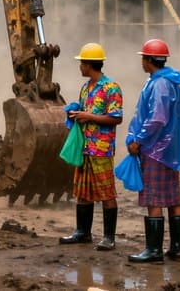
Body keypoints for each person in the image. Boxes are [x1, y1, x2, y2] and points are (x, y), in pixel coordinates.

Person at [126, 39, 180, 263]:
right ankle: (176, 249)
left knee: (154, 198)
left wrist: (139, 140)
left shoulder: (159, 84)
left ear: (149, 60)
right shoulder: (168, 82)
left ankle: (154, 251)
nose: (141, 62)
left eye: (143, 57)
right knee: (173, 199)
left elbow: (157, 118)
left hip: (155, 150)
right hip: (168, 150)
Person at [59, 42, 123, 250]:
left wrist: (88, 116)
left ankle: (109, 238)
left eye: (81, 63)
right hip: (85, 147)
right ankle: (83, 232)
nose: (80, 67)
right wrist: (76, 113)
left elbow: (116, 118)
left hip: (101, 149)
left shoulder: (111, 88)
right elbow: (87, 113)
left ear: (89, 65)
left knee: (107, 192)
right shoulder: (86, 88)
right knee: (82, 191)